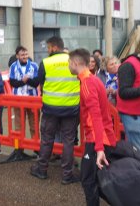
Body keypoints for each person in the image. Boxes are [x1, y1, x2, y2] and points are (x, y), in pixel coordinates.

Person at [68, 48, 116, 206]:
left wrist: (99, 147)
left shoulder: (88, 83)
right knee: (96, 180)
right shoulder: (92, 79)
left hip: (97, 139)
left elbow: (96, 116)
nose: (68, 66)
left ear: (75, 63)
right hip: (100, 137)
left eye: (69, 63)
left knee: (88, 180)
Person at [31, 36, 80, 185]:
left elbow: (40, 81)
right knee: (68, 141)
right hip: (71, 108)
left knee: (47, 139)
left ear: (53, 47)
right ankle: (67, 175)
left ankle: (42, 169)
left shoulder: (46, 62)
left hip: (50, 109)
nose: (47, 50)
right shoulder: (74, 61)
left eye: (48, 47)